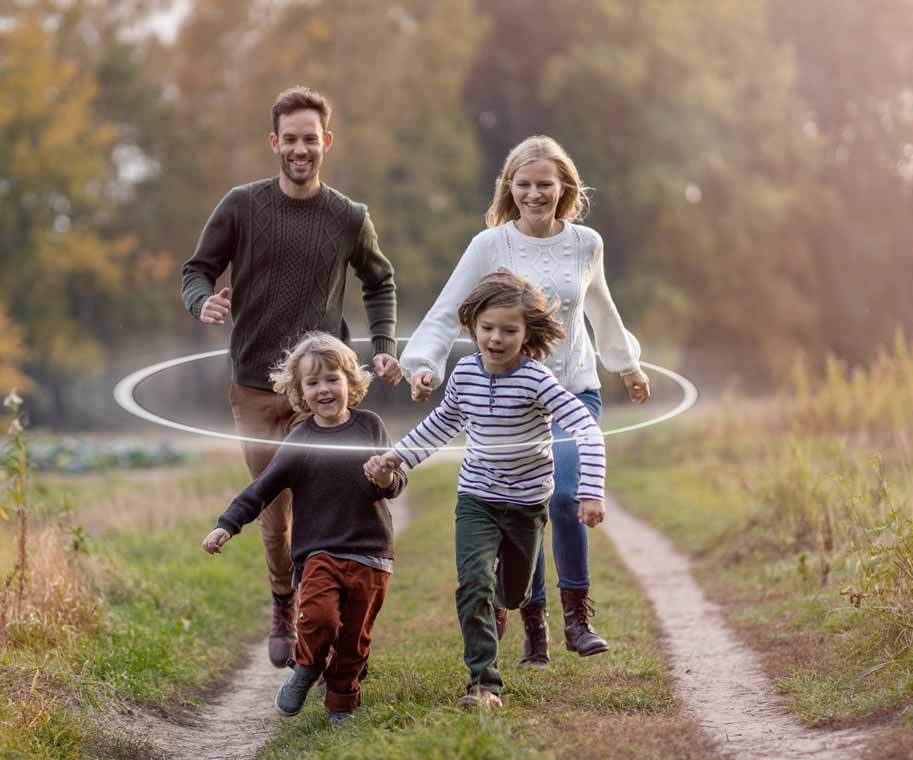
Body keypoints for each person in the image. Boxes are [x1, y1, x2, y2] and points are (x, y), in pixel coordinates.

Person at [398, 135, 648, 666]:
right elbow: (450, 309)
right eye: (525, 184)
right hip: (512, 397)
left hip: (574, 387)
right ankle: (534, 620)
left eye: (545, 185)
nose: (535, 194)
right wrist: (423, 365)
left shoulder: (587, 243)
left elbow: (601, 308)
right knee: (524, 503)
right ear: (510, 187)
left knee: (565, 493)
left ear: (564, 188)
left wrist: (626, 365)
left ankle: (577, 616)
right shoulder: (490, 245)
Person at [181, 86, 403, 668]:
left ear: (325, 142)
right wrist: (201, 300)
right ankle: (285, 599)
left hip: (320, 389)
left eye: (311, 139)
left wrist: (380, 346)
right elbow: (196, 269)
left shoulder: (349, 216)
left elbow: (379, 281)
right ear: (274, 142)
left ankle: (317, 603)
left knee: (327, 503)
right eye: (290, 139)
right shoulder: (240, 206)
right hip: (255, 384)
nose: (300, 149)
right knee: (274, 511)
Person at [365, 270, 606, 708]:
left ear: (527, 331)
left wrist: (591, 490)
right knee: (473, 582)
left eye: (509, 330)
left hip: (527, 503)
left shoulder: (537, 380)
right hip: (476, 497)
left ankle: (501, 607)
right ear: (472, 325)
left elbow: (585, 428)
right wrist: (397, 457)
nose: (496, 338)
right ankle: (483, 684)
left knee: (510, 594)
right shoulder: (465, 373)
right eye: (487, 328)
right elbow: (441, 424)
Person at [202, 332, 405, 725]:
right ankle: (307, 668)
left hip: (372, 554)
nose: (324, 389)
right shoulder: (301, 439)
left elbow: (396, 484)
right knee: (319, 619)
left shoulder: (370, 427)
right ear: (299, 392)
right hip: (320, 553)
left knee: (354, 639)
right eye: (312, 383)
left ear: (351, 382)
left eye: (332, 378)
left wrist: (385, 479)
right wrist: (226, 525)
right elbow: (261, 488)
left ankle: (340, 704)